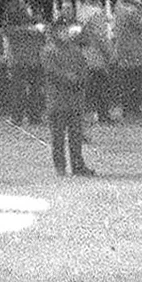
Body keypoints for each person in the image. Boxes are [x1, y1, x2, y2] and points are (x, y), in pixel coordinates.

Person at [40, 21, 92, 177]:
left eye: (66, 31)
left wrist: (80, 79)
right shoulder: (48, 51)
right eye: (61, 31)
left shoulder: (75, 50)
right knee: (58, 136)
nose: (65, 34)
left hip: (74, 100)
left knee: (76, 135)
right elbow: (51, 72)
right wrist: (70, 78)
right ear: (55, 32)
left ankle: (78, 165)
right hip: (57, 100)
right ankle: (60, 167)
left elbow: (84, 67)